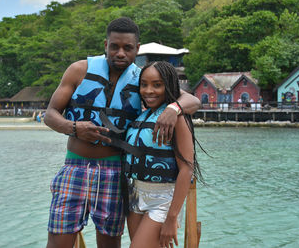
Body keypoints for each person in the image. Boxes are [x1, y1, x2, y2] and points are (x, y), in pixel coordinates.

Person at [44, 17, 201, 248]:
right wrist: (74, 127)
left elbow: (192, 100)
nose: (120, 53)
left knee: (109, 242)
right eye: (114, 46)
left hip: (116, 172)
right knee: (58, 241)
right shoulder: (79, 70)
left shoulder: (143, 80)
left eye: (127, 48)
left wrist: (173, 108)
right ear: (105, 45)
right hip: (74, 167)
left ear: (137, 49)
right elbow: (50, 114)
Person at [105, 61, 202, 248]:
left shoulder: (177, 118)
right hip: (135, 195)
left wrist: (172, 217)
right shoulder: (142, 115)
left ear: (169, 86)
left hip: (163, 199)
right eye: (144, 84)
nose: (149, 91)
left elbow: (186, 169)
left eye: (157, 85)